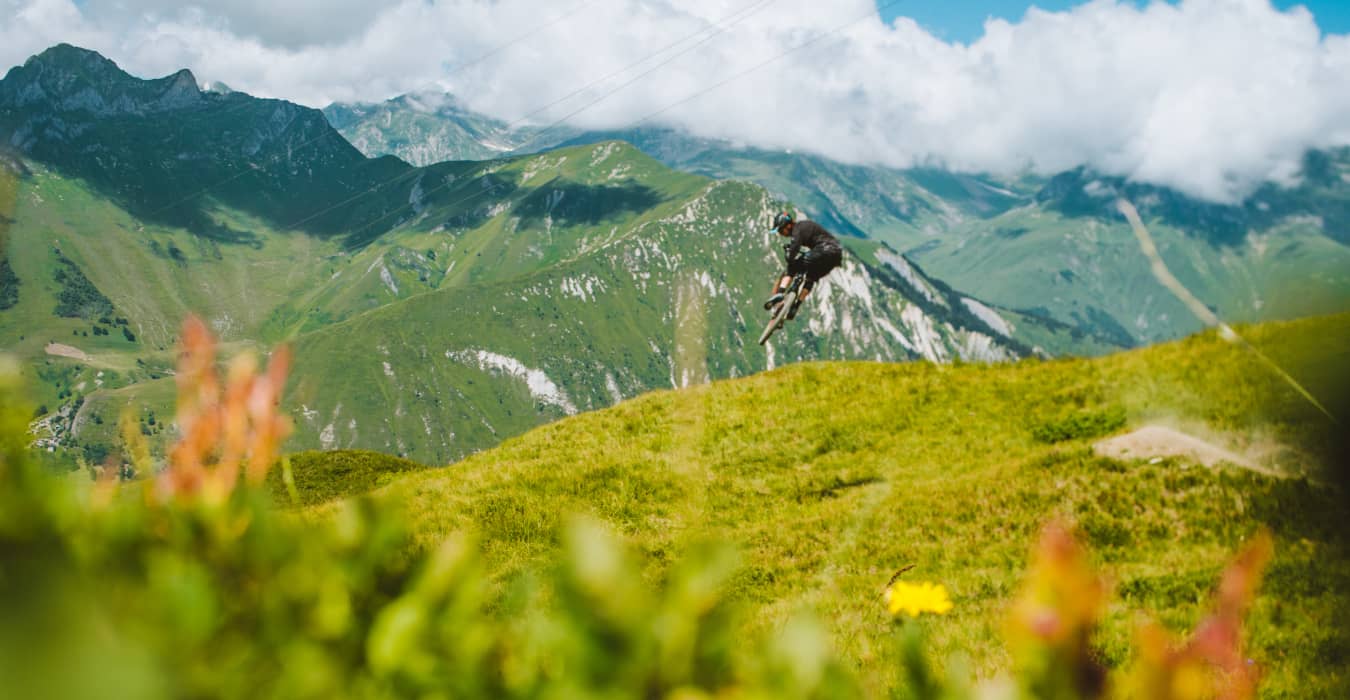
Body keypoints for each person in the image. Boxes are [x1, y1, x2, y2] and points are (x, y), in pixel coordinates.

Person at [763, 211, 843, 320]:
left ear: (789, 225)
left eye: (781, 230)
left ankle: (780, 294)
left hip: (824, 249)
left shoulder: (797, 230)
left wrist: (789, 256)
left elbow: (793, 252)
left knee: (793, 266)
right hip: (835, 255)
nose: (781, 233)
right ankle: (796, 305)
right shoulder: (802, 228)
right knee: (811, 277)